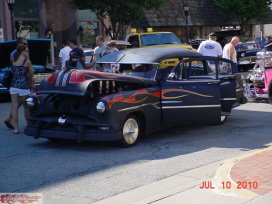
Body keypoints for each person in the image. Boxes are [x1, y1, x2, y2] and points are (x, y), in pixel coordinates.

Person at [9, 44, 35, 134]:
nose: (27, 52)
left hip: (13, 85)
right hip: (23, 86)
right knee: (26, 107)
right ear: (23, 51)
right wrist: (31, 82)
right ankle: (28, 124)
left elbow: (12, 72)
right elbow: (31, 74)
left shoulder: (13, 60)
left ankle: (16, 128)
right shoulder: (26, 61)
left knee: (14, 107)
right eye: (26, 51)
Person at [4, 37, 29, 129]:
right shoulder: (18, 54)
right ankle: (28, 123)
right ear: (19, 44)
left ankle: (11, 119)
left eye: (26, 44)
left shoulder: (15, 54)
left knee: (18, 102)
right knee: (25, 102)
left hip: (15, 82)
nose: (26, 46)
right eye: (24, 44)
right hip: (22, 82)